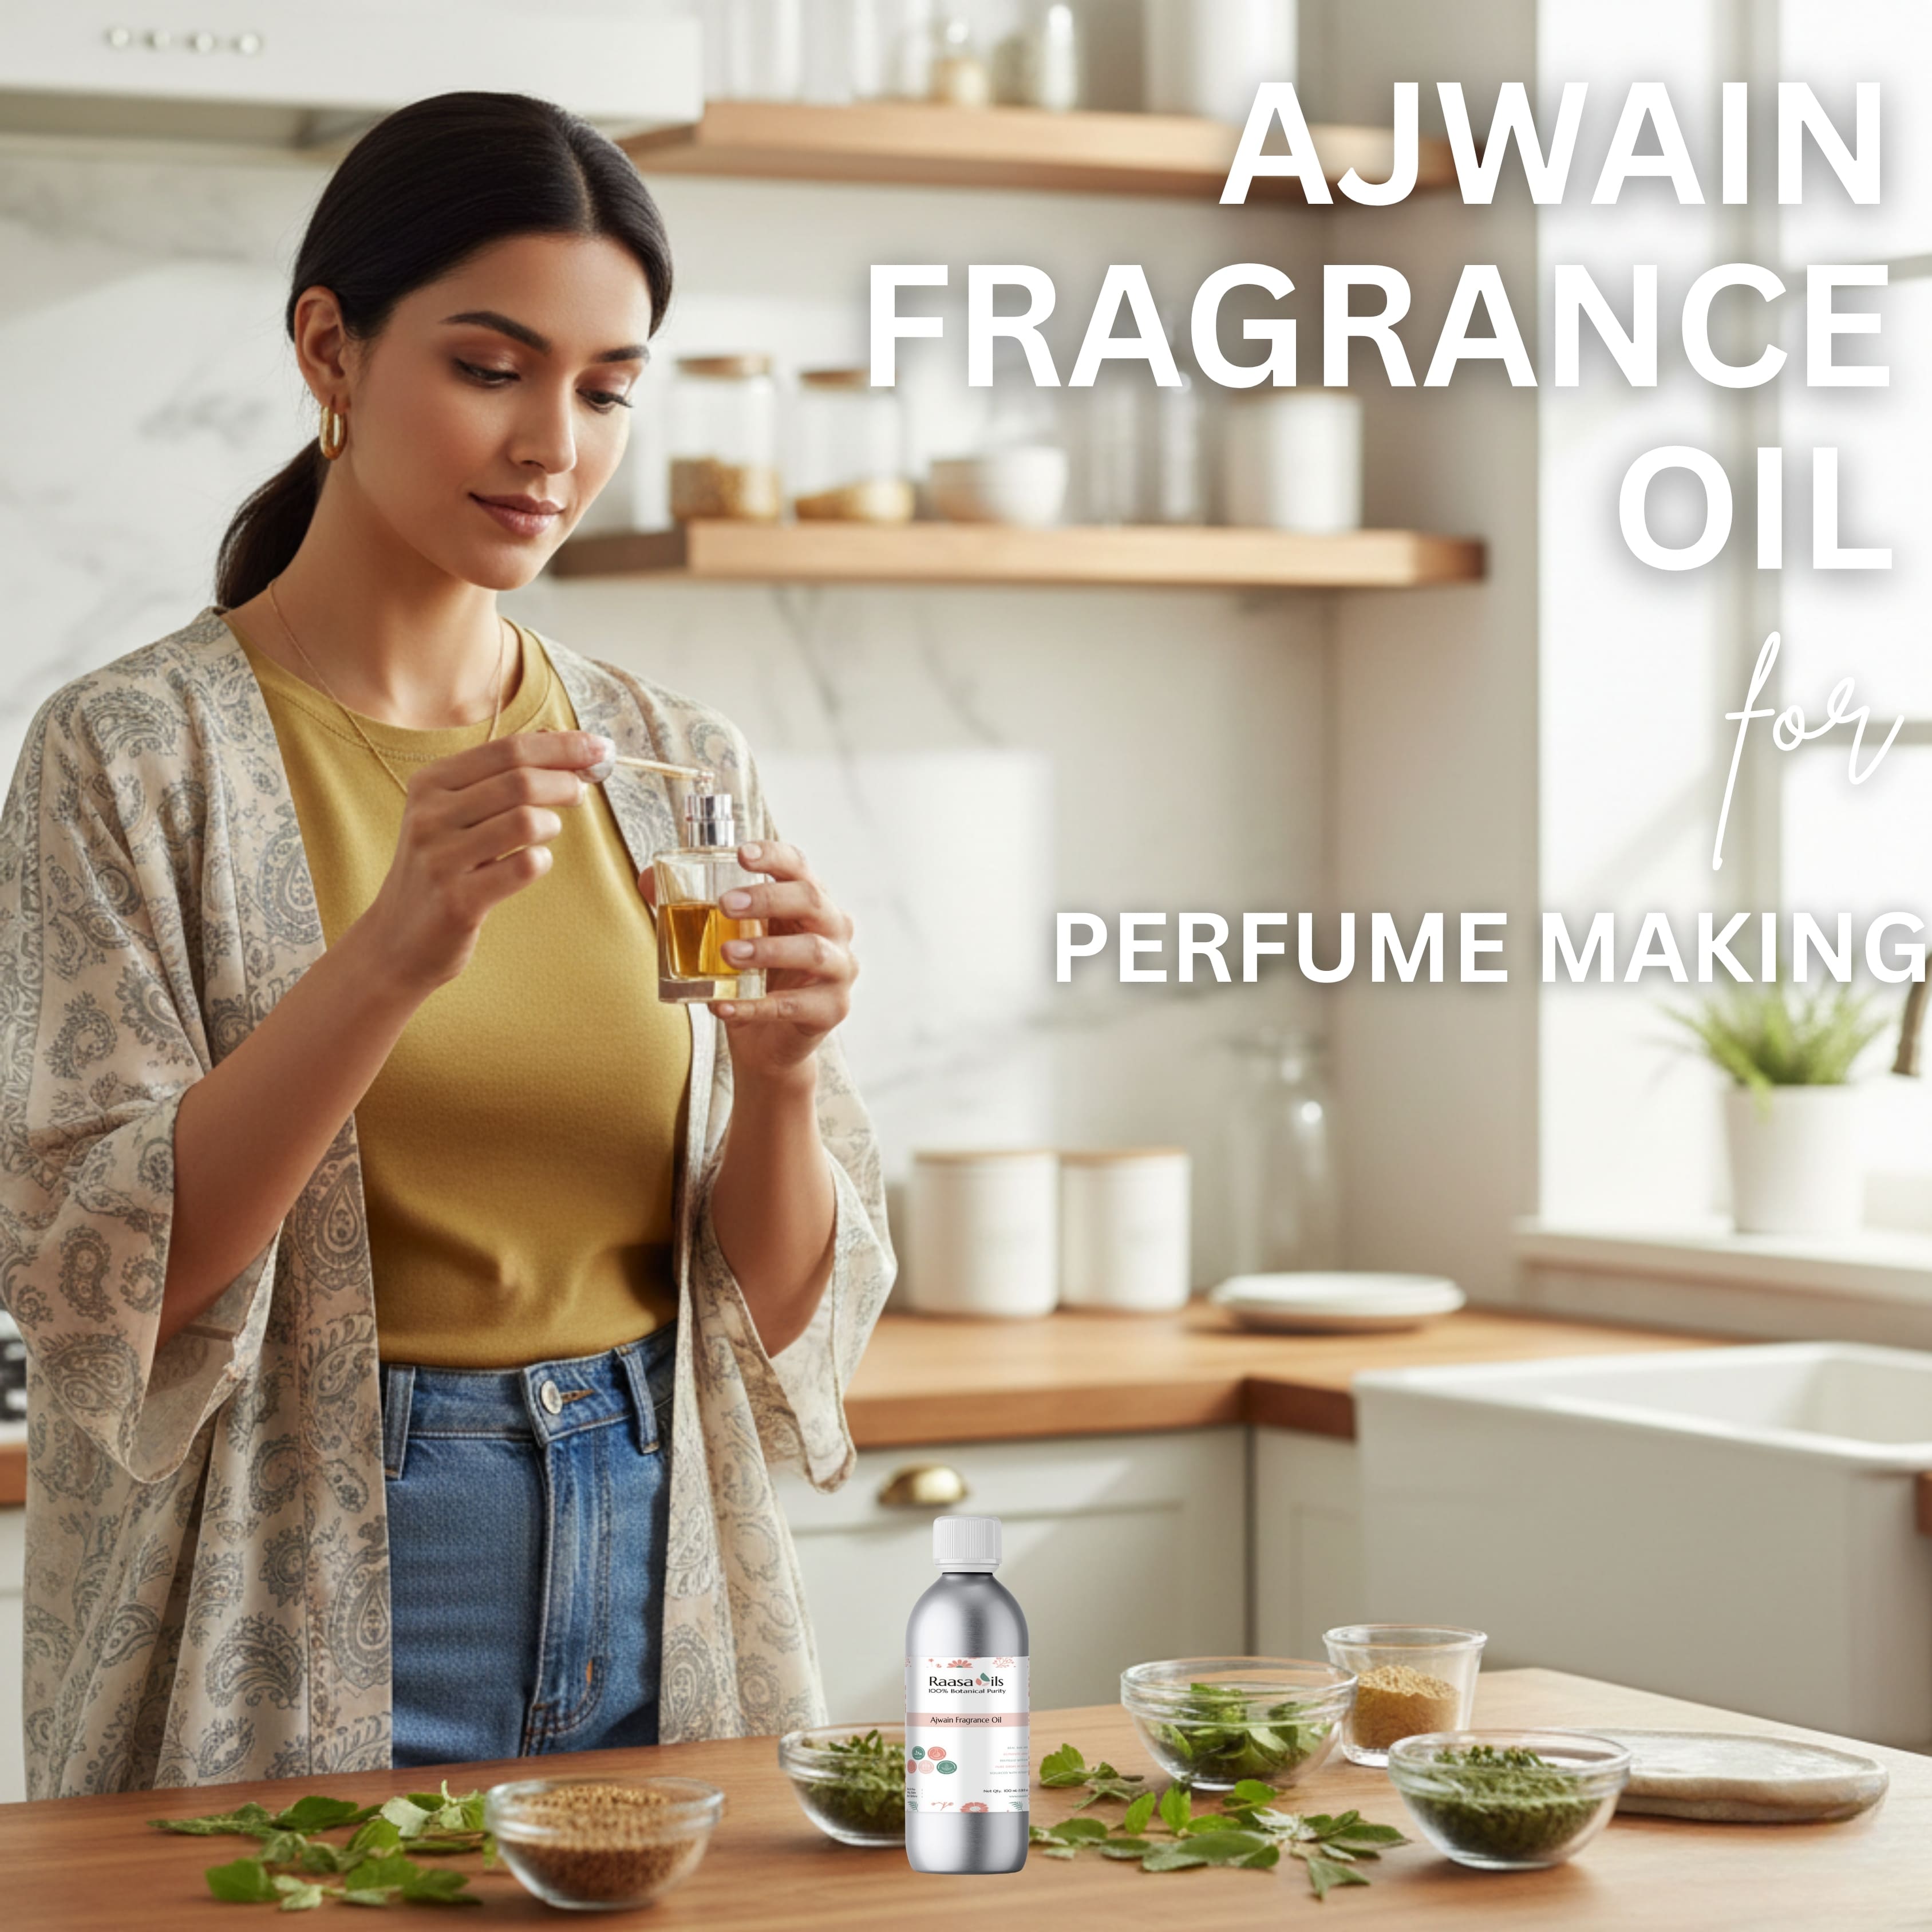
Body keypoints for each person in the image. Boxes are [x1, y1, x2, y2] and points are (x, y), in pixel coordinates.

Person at [0, 91, 892, 1797]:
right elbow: (101, 1281)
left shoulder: (675, 766)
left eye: (609, 387)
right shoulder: (130, 758)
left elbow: (777, 1309)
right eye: (492, 367)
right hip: (323, 1566)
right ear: (330, 348)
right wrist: (391, 954)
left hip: (655, 1561)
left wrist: (780, 1079)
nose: (554, 439)